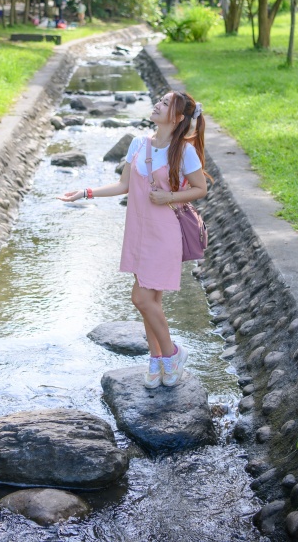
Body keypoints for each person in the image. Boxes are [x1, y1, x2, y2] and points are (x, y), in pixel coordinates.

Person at [59, 92, 211, 388]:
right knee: (150, 301)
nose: (158, 104)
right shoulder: (138, 144)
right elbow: (123, 185)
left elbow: (200, 188)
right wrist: (85, 192)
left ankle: (172, 353)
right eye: (160, 100)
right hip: (139, 232)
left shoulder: (184, 151)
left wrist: (170, 196)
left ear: (178, 118)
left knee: (140, 297)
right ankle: (155, 361)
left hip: (165, 232)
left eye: (165, 104)